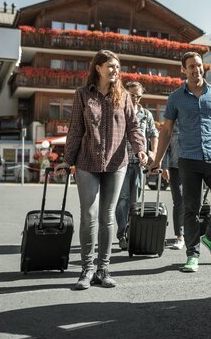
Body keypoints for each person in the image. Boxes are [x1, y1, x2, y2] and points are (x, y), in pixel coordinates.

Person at [56, 50, 147, 290]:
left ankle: (103, 269)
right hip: (87, 162)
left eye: (118, 67)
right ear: (98, 68)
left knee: (108, 216)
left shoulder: (125, 97)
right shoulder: (83, 95)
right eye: (110, 66)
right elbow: (75, 129)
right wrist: (68, 160)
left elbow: (134, 127)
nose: (115, 71)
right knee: (89, 214)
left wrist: (140, 149)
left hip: (117, 163)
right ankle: (86, 269)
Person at [149, 52, 211, 273]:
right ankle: (192, 255)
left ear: (203, 68)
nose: (196, 70)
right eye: (191, 66)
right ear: (184, 69)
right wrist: (157, 160)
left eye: (198, 66)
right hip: (187, 160)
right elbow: (166, 131)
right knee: (191, 208)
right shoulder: (175, 98)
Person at [115, 81, 158, 251]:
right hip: (121, 163)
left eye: (139, 96)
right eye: (133, 95)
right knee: (123, 199)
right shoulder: (119, 111)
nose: (136, 99)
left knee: (135, 202)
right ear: (126, 93)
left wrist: (153, 152)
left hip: (140, 164)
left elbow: (154, 133)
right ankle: (122, 235)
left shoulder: (146, 114)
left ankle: (133, 232)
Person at [161, 125, 185, 250]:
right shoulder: (173, 122)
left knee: (194, 201)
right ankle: (180, 236)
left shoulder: (195, 118)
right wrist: (164, 166)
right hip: (174, 167)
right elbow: (165, 146)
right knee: (179, 200)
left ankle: (191, 234)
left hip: (193, 166)